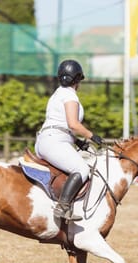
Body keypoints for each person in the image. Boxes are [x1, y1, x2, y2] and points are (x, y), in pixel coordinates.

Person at [34, 59, 104, 221]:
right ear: (77, 79)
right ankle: (63, 207)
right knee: (81, 169)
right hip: (54, 142)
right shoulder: (70, 96)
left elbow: (60, 124)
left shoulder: (58, 93)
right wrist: (92, 136)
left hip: (48, 140)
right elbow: (73, 124)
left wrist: (77, 142)